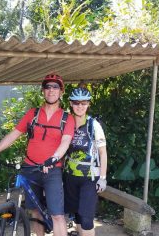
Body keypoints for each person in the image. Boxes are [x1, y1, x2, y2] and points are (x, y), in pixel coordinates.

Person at [0, 73, 75, 236]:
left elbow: (65, 142)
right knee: (35, 213)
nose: (51, 90)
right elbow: (14, 134)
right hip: (30, 168)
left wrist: (53, 159)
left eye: (55, 87)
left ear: (61, 92)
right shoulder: (33, 114)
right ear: (43, 90)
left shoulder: (66, 118)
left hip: (52, 170)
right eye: (47, 87)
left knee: (57, 215)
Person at [63, 87, 107, 236]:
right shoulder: (66, 122)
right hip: (70, 177)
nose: (80, 106)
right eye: (76, 103)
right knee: (77, 217)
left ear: (89, 104)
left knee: (87, 219)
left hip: (90, 178)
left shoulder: (94, 125)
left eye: (84, 103)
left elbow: (103, 152)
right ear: (71, 103)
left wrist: (102, 178)